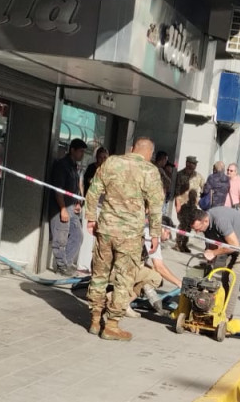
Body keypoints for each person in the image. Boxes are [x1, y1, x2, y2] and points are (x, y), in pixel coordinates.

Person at [83, 137, 165, 341]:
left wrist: (91, 218)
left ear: (131, 149)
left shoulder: (111, 162)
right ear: (149, 154)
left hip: (106, 229)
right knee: (123, 279)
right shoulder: (150, 171)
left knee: (99, 274)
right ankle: (111, 325)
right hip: (130, 236)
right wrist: (154, 234)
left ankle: (94, 319)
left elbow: (93, 191)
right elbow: (155, 206)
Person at [184, 205, 240, 319]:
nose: (197, 232)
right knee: (225, 276)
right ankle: (219, 306)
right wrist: (210, 257)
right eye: (194, 230)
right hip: (234, 242)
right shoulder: (206, 225)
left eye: (198, 229)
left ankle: (226, 316)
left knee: (233, 276)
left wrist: (214, 253)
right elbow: (211, 244)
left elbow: (234, 246)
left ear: (205, 220)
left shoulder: (220, 220)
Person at [49, 138, 86, 273]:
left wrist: (78, 203)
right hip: (61, 206)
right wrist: (63, 209)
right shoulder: (62, 165)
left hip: (72, 207)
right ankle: (61, 266)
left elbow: (75, 187)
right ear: (72, 150)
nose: (82, 154)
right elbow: (59, 190)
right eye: (80, 151)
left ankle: (67, 262)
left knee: (78, 236)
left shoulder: (74, 167)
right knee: (60, 238)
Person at [173, 156, 205, 252]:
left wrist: (200, 200)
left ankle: (184, 244)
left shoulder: (198, 176)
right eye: (191, 163)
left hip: (192, 205)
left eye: (194, 164)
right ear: (187, 163)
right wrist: (177, 203)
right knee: (183, 224)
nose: (193, 165)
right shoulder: (180, 175)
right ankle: (178, 244)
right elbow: (177, 190)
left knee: (189, 225)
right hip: (183, 204)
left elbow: (204, 188)